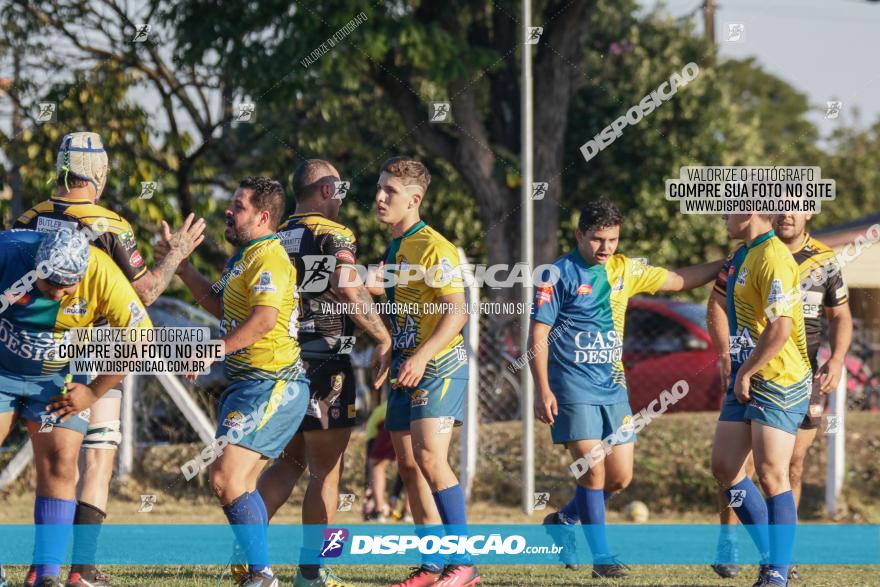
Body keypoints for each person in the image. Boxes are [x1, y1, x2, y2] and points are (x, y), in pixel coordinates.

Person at [11, 131, 205, 587]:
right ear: (97, 174)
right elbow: (143, 294)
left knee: (53, 463)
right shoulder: (109, 224)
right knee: (96, 455)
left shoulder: (30, 216)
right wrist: (176, 256)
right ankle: (81, 568)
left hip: (29, 346)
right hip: (95, 349)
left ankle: (46, 567)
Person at [531, 197, 722, 578]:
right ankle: (602, 560)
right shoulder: (557, 274)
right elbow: (538, 334)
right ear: (579, 234)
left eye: (613, 240)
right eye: (598, 239)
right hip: (571, 387)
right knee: (593, 471)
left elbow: (679, 279)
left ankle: (563, 522)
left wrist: (731, 261)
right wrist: (542, 388)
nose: (605, 248)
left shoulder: (625, 270)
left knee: (619, 478)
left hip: (613, 388)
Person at [249, 159, 391, 587]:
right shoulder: (334, 233)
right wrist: (383, 336)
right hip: (327, 359)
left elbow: (318, 282)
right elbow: (346, 286)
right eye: (341, 189)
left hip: (284, 360)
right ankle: (313, 571)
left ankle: (246, 556)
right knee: (327, 472)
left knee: (289, 463)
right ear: (327, 191)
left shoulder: (274, 232)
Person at [172, 177, 309, 587]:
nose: (229, 212)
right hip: (247, 385)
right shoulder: (241, 260)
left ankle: (263, 574)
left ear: (263, 216)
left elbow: (265, 320)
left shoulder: (269, 258)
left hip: (274, 384)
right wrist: (181, 266)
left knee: (224, 477)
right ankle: (256, 570)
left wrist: (213, 351)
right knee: (238, 484)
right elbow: (217, 304)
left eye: (239, 206)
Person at [0, 228, 152, 587]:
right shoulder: (8, 252)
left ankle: (46, 575)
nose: (58, 293)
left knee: (61, 463)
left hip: (58, 381)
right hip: (2, 371)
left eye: (67, 286)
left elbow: (142, 340)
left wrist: (94, 391)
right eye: (50, 283)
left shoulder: (103, 274)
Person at [708, 212, 851, 581]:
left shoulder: (773, 257)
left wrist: (747, 371)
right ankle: (775, 554)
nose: (723, 215)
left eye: (731, 208)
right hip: (747, 374)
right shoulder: (743, 254)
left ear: (754, 211)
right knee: (726, 468)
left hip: (778, 379)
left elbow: (782, 327)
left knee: (774, 475)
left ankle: (776, 571)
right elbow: (718, 303)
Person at [372, 157, 477, 587]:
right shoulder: (396, 247)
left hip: (440, 366)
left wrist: (420, 356)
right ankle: (432, 565)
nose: (379, 197)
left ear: (414, 200)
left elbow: (458, 313)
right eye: (379, 189)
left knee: (432, 458)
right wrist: (389, 346)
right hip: (406, 365)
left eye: (389, 193)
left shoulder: (436, 247)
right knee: (409, 464)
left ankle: (465, 565)